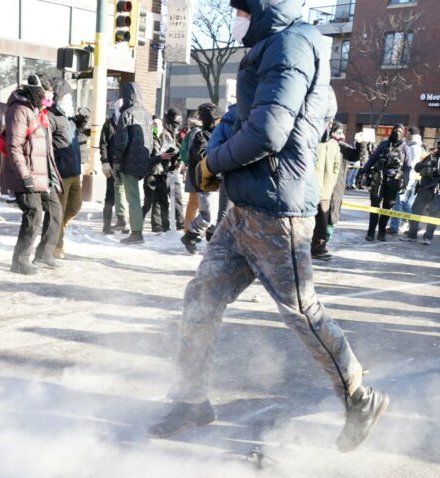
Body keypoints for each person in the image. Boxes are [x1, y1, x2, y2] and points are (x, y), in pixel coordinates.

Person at [149, 0, 388, 453]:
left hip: (278, 212)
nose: (236, 17)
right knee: (201, 297)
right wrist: (212, 156)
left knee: (300, 309)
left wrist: (213, 163)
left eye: (240, 9)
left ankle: (359, 397)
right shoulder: (269, 46)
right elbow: (239, 118)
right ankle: (191, 401)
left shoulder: (291, 45)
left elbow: (268, 132)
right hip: (243, 206)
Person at [0, 73, 62, 274]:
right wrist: (24, 175)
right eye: (47, 92)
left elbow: (46, 148)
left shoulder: (39, 111)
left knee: (55, 211)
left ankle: (44, 254)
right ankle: (19, 261)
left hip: (43, 174)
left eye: (51, 93)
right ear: (36, 91)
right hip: (25, 173)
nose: (49, 96)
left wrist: (52, 174)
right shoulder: (19, 111)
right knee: (33, 213)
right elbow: (14, 147)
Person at [112, 82, 152, 244]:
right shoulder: (147, 114)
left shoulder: (127, 113)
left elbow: (121, 142)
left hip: (129, 163)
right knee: (135, 195)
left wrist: (116, 161)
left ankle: (137, 232)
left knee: (133, 198)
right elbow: (151, 140)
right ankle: (132, 226)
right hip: (144, 161)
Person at [47, 78, 82, 258]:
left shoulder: (69, 118)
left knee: (75, 206)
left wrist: (81, 125)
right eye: (67, 97)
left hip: (74, 171)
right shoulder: (51, 117)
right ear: (59, 98)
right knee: (58, 212)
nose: (70, 100)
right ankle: (56, 246)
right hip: (61, 174)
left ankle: (58, 227)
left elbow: (76, 142)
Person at [404, 134, 440, 244]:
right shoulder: (430, 156)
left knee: (434, 214)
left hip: (439, 190)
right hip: (424, 188)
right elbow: (417, 167)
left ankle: (427, 238)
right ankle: (412, 235)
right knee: (416, 210)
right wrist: (422, 166)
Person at [359, 123, 410, 242]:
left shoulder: (405, 148)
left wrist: (405, 182)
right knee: (375, 206)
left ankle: (381, 233)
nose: (397, 133)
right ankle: (371, 232)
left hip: (394, 180)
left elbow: (407, 167)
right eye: (396, 130)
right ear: (392, 131)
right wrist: (363, 170)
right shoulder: (384, 144)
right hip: (379, 179)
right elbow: (372, 159)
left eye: (400, 131)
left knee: (387, 208)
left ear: (403, 133)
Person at [181, 102, 219, 254]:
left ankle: (212, 244)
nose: (220, 123)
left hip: (214, 177)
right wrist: (220, 157)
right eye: (217, 120)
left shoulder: (216, 134)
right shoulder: (200, 135)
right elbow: (202, 156)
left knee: (216, 214)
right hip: (204, 178)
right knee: (208, 214)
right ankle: (189, 236)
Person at [311, 119, 341, 260]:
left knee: (322, 221)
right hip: (310, 189)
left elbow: (336, 165)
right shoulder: (313, 141)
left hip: (326, 191)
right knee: (307, 220)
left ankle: (319, 247)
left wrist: (332, 181)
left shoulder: (334, 144)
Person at [142, 116, 178, 233]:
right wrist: (160, 157)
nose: (155, 126)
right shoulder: (148, 138)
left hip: (163, 173)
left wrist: (175, 157)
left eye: (157, 124)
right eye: (153, 124)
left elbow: (173, 150)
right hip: (151, 173)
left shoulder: (167, 137)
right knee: (148, 203)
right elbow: (146, 159)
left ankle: (164, 226)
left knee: (163, 202)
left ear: (162, 125)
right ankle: (137, 225)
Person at [387, 126, 423, 235]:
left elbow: (410, 164)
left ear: (411, 135)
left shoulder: (411, 147)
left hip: (408, 177)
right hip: (414, 177)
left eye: (408, 133)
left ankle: (394, 227)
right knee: (406, 203)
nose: (405, 135)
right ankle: (414, 225)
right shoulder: (418, 146)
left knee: (398, 201)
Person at [98, 100, 126, 234]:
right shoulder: (109, 123)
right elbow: (103, 144)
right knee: (110, 197)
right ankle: (107, 225)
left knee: (125, 196)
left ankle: (124, 223)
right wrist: (105, 162)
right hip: (112, 165)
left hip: (126, 165)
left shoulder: (128, 122)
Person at [164, 107, 187, 232]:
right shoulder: (164, 132)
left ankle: (181, 222)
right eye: (175, 123)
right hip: (162, 169)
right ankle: (162, 225)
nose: (177, 126)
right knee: (160, 200)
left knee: (177, 196)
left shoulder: (177, 134)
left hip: (173, 170)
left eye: (178, 123)